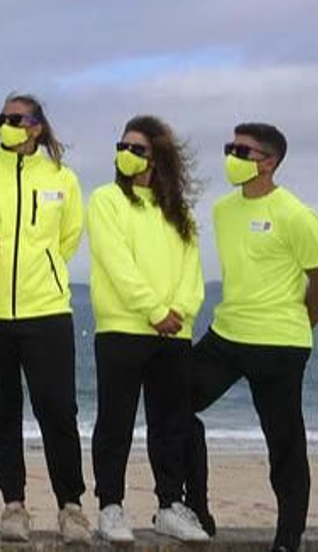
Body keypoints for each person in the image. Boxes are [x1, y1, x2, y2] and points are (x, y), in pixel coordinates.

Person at [185, 123, 318, 552]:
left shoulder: (295, 214)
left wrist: (298, 322)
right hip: (226, 334)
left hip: (280, 344)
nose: (232, 155)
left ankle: (289, 539)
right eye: (230, 147)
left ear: (269, 162)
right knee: (173, 407)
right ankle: (197, 511)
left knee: (284, 442)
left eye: (242, 150)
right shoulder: (221, 210)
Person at [0, 94, 89, 542]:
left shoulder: (62, 178)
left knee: (57, 410)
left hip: (48, 312)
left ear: (36, 126)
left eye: (14, 119)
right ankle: (13, 504)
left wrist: (45, 273)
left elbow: (69, 238)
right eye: (0, 118)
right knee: (2, 410)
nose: (5, 125)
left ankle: (71, 506)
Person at [86, 116, 210, 543]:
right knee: (115, 422)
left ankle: (169, 505)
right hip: (123, 329)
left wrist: (179, 310)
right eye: (123, 145)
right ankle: (110, 507)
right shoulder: (105, 200)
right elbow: (116, 262)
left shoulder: (179, 211)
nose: (126, 153)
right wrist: (154, 309)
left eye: (137, 148)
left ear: (157, 157)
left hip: (174, 333)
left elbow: (193, 271)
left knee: (170, 423)